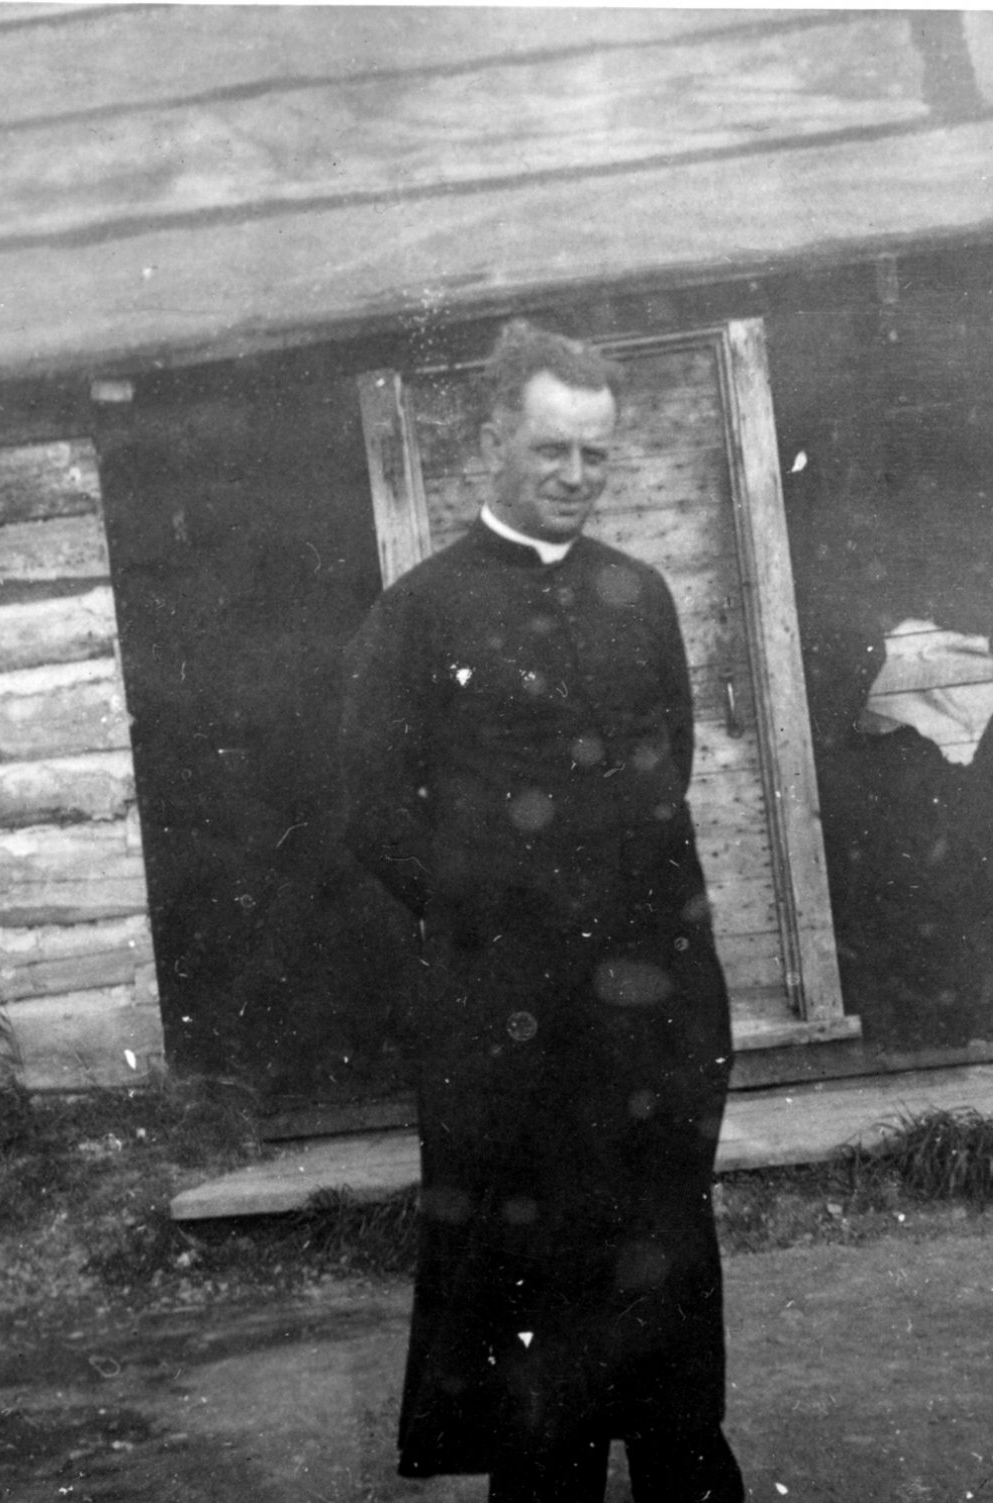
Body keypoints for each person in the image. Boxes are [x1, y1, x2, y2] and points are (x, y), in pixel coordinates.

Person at [339, 321, 745, 1503]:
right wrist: (495, 929)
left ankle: (679, 1466)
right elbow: (375, 814)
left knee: (662, 1247)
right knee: (533, 1271)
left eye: (595, 457)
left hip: (650, 1008)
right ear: (491, 444)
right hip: (506, 1019)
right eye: (550, 451)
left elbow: (663, 773)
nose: (573, 478)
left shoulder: (640, 596)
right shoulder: (422, 613)